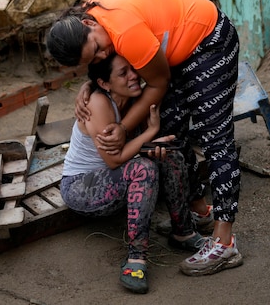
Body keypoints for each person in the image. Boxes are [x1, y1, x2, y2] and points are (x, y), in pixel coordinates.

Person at [46, 0, 243, 277]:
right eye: (93, 60)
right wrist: (91, 83)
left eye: (98, 49)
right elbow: (109, 66)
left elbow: (159, 82)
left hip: (208, 40)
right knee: (171, 130)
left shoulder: (123, 33)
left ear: (88, 23)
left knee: (215, 137)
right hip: (181, 50)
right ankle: (200, 212)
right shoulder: (92, 23)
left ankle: (224, 241)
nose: (102, 56)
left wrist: (123, 127)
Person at [60, 53, 204, 294]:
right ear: (105, 83)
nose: (133, 76)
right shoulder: (98, 103)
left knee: (170, 155)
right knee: (143, 168)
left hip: (114, 176)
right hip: (81, 187)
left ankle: (183, 231)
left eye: (132, 69)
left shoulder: (133, 98)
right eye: (123, 73)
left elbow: (127, 151)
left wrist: (152, 147)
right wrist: (152, 132)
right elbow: (114, 159)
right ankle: (136, 260)